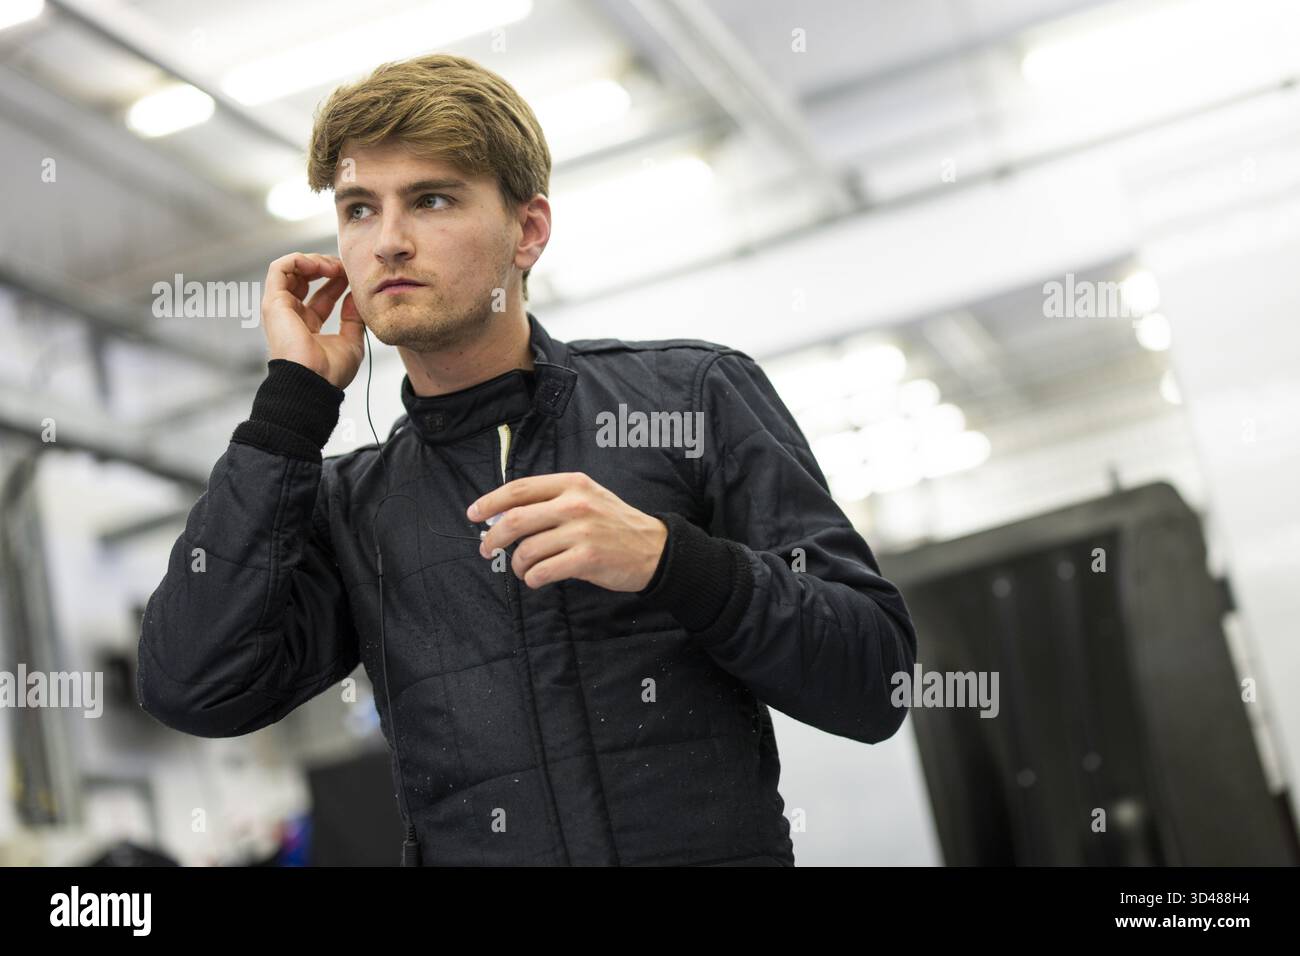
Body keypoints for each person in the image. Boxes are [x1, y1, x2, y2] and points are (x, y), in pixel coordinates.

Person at [136, 53, 917, 867]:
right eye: (359, 209)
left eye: (431, 200)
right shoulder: (351, 507)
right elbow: (192, 686)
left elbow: (875, 681)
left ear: (529, 231)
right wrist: (292, 407)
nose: (389, 241)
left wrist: (671, 562)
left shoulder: (692, 399)